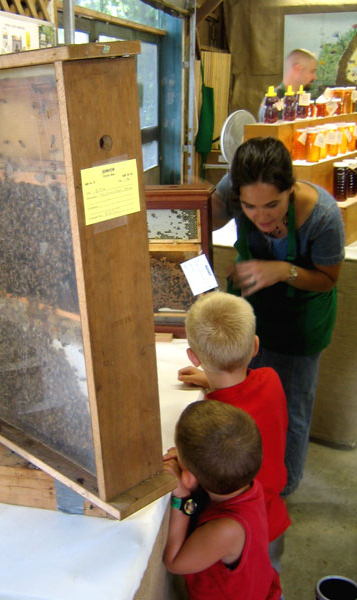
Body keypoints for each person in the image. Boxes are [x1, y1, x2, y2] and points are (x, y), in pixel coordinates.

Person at [209, 136, 345, 496]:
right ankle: (248, 479)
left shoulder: (324, 217)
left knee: (291, 411)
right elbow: (204, 217)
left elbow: (329, 278)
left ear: (291, 188)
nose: (262, 216)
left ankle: (282, 489)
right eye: (250, 207)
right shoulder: (235, 191)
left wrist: (283, 270)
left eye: (273, 204)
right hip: (250, 313)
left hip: (300, 323)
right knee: (247, 400)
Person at [178, 291, 290, 570]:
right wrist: (211, 378)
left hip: (237, 533)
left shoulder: (211, 423)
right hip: (274, 520)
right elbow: (247, 389)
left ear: (193, 357)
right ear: (254, 346)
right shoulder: (272, 380)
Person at [163, 400, 281, 600]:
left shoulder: (227, 529)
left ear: (188, 477)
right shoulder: (247, 481)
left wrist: (182, 497)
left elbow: (174, 562)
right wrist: (192, 466)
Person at [258, 48, 318, 121]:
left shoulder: (300, 99)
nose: (315, 77)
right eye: (312, 71)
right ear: (298, 68)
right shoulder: (273, 102)